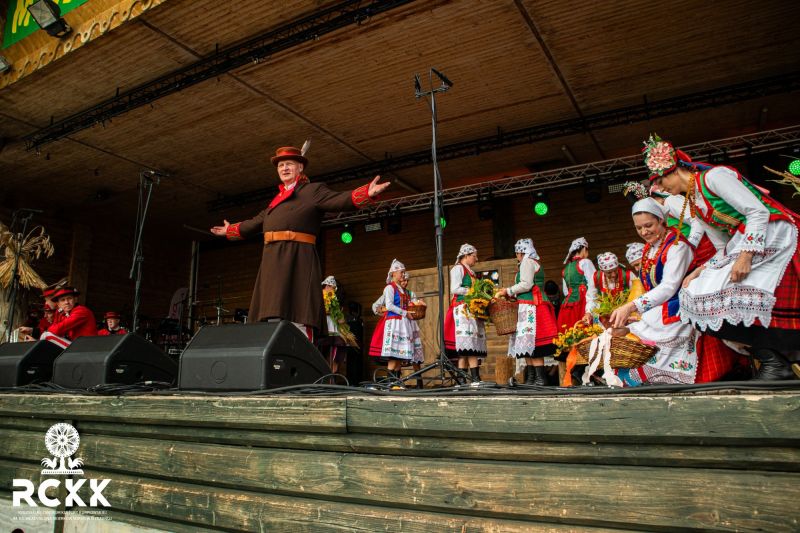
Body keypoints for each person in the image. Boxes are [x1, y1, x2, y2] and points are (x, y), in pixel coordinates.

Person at [643, 133, 800, 380]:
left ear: (675, 170)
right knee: (693, 293)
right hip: (743, 243)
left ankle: (775, 362)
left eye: (660, 180)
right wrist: (699, 271)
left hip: (774, 234)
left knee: (737, 294)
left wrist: (746, 256)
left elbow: (757, 212)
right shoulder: (694, 203)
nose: (661, 188)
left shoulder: (714, 178)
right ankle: (772, 361)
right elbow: (722, 246)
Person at [211, 145, 389, 341]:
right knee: (271, 311)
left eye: (289, 164)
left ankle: (299, 347)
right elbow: (255, 222)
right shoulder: (276, 200)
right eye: (280, 165)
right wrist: (230, 230)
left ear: (300, 168)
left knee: (298, 309)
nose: (284, 168)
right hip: (272, 259)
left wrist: (367, 193)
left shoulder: (312, 190)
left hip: (297, 256)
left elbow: (338, 199)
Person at [609, 198, 698, 385]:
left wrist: (632, 307)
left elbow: (669, 286)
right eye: (638, 228)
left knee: (637, 337)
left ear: (661, 221)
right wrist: (634, 312)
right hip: (659, 310)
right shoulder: (650, 248)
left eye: (648, 225)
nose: (644, 232)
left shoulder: (677, 246)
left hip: (678, 310)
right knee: (622, 333)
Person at [495, 238, 558, 385]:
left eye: (517, 253)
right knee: (527, 344)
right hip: (530, 304)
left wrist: (508, 290)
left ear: (520, 252)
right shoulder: (533, 262)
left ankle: (540, 379)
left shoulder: (527, 262)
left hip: (532, 306)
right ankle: (532, 378)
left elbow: (526, 284)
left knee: (534, 343)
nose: (516, 256)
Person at [368, 259, 424, 385]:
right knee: (393, 356)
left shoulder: (403, 291)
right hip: (394, 323)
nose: (403, 275)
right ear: (393, 273)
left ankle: (396, 384)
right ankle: (390, 384)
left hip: (403, 324)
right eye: (401, 272)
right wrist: (404, 313)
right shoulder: (390, 288)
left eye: (404, 273)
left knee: (399, 357)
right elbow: (389, 305)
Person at [444, 244, 487, 384]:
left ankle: (462, 380)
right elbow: (455, 289)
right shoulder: (458, 269)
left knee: (468, 346)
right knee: (468, 346)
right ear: (466, 256)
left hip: (471, 309)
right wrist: (473, 292)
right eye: (474, 256)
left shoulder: (471, 272)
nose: (476, 259)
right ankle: (474, 378)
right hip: (462, 309)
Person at [20, 287, 98, 348]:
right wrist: (33, 331)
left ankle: (36, 345)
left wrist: (37, 342)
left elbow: (57, 329)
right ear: (58, 304)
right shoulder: (63, 313)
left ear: (75, 299)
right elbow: (56, 329)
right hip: (76, 346)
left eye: (69, 298)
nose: (66, 302)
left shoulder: (81, 311)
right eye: (63, 300)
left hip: (85, 348)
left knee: (47, 335)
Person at [319, 276, 356, 375]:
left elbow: (336, 312)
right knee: (323, 352)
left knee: (336, 353)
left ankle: (332, 376)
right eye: (332, 287)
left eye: (335, 288)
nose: (334, 290)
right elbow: (324, 310)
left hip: (334, 327)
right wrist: (332, 312)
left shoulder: (332, 297)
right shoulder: (320, 296)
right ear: (327, 286)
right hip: (325, 326)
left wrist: (338, 315)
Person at [558, 237, 597, 328]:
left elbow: (566, 291)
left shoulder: (565, 269)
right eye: (587, 250)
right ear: (583, 249)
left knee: (571, 330)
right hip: (583, 302)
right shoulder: (585, 262)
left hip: (568, 305)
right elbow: (594, 283)